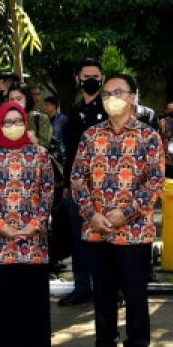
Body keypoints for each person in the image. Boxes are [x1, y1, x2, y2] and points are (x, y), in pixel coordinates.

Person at [70, 73, 163, 347]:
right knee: (103, 294)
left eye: (118, 92)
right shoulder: (90, 135)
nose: (111, 98)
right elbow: (77, 178)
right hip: (96, 231)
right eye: (107, 93)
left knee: (135, 293)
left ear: (133, 97)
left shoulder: (148, 137)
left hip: (133, 232)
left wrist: (127, 213)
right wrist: (90, 213)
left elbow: (154, 183)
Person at [0, 102, 54, 347]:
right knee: (2, 291)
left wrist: (35, 224)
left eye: (17, 121)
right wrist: (1, 226)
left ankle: (27, 344)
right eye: (6, 122)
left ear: (25, 123)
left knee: (27, 291)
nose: (12, 127)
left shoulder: (40, 155)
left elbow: (47, 191)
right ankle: (4, 345)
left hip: (32, 239)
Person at [60, 58, 107, 306]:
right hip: (78, 188)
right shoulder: (74, 111)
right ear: (78, 79)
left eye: (95, 76)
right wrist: (67, 187)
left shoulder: (109, 109)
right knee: (79, 240)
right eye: (86, 76)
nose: (91, 80)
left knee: (106, 239)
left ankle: (110, 290)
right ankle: (82, 287)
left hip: (105, 187)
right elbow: (70, 152)